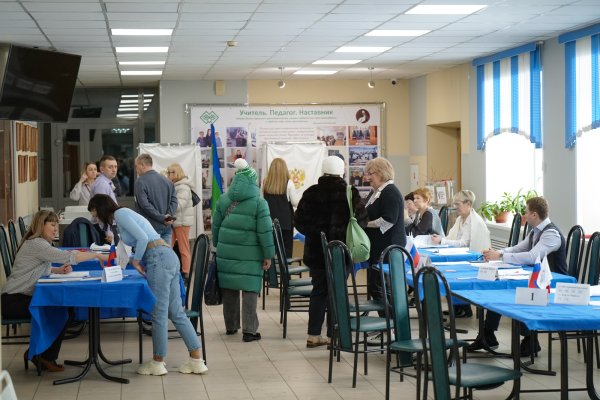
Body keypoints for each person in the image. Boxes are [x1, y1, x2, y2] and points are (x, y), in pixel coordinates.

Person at [87, 194, 207, 375]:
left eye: (95, 214)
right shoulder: (121, 218)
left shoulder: (121, 214)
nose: (95, 219)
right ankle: (196, 360)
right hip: (166, 256)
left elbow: (143, 238)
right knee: (176, 313)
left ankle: (158, 362)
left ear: (101, 208)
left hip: (157, 258)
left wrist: (135, 262)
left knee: (158, 313)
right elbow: (128, 247)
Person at [1, 210, 109, 372]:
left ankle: (41, 354)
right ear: (40, 226)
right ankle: (41, 355)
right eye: (52, 224)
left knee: (65, 310)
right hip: (14, 301)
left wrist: (58, 271)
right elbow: (71, 257)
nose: (56, 228)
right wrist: (97, 255)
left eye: (57, 224)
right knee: (61, 310)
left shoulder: (38, 243)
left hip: (18, 298)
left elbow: (36, 268)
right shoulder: (37, 244)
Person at [469, 196, 567, 357]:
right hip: (534, 277)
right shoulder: (535, 231)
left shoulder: (551, 234)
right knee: (499, 289)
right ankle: (488, 334)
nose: (524, 216)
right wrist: (497, 253)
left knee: (517, 292)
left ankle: (530, 339)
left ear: (535, 215)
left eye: (526, 212)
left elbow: (531, 256)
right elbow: (517, 249)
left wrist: (500, 257)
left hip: (554, 281)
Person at [294, 156, 368, 348]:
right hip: (341, 253)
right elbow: (362, 221)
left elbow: (299, 222)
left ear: (323, 171)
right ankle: (333, 335)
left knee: (318, 291)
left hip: (317, 253)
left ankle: (313, 335)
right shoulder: (350, 193)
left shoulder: (311, 193)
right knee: (337, 292)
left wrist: (314, 233)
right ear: (342, 171)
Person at [212, 158, 274, 342]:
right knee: (250, 290)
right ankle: (249, 330)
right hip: (251, 254)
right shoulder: (259, 203)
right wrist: (268, 255)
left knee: (229, 286)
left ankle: (231, 326)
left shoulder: (224, 199)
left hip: (226, 252)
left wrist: (218, 245)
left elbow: (215, 227)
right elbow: (265, 231)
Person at [431, 190, 491, 318]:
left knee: (449, 272)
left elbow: (464, 243)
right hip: (461, 255)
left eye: (458, 204)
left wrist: (442, 241)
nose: (455, 207)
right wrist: (442, 239)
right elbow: (450, 237)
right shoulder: (460, 219)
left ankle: (463, 308)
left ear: (468, 203)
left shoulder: (476, 222)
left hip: (473, 259)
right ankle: (457, 307)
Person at [363, 157, 406, 317]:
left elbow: (387, 220)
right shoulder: (376, 192)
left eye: (370, 174)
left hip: (388, 247)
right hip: (378, 246)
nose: (367, 178)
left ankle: (392, 323)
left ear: (381, 173)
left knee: (381, 287)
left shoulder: (390, 192)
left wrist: (364, 224)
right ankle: (386, 324)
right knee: (376, 286)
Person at [134, 154, 178, 244]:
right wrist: (167, 218)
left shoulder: (140, 182)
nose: (136, 169)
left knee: (152, 256)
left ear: (142, 165)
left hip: (149, 228)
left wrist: (162, 218)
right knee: (166, 256)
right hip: (167, 227)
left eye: (136, 166)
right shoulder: (168, 181)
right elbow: (174, 201)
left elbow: (145, 205)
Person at [262, 158, 300, 257]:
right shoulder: (289, 183)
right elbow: (295, 203)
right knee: (286, 251)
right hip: (285, 223)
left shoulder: (265, 182)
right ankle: (285, 271)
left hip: (269, 222)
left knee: (270, 250)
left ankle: (272, 272)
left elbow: (262, 201)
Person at [167, 163, 195, 278]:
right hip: (175, 221)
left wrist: (166, 208)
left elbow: (179, 205)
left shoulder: (183, 187)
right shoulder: (176, 186)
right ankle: (171, 269)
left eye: (169, 172)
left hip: (182, 222)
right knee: (168, 246)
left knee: (184, 249)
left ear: (175, 173)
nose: (167, 175)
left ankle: (186, 273)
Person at [91, 155, 119, 243]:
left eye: (115, 166)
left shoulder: (106, 182)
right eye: (110, 167)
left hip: (107, 226)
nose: (114, 170)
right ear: (102, 169)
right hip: (105, 229)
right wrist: (108, 232)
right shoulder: (101, 184)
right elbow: (101, 210)